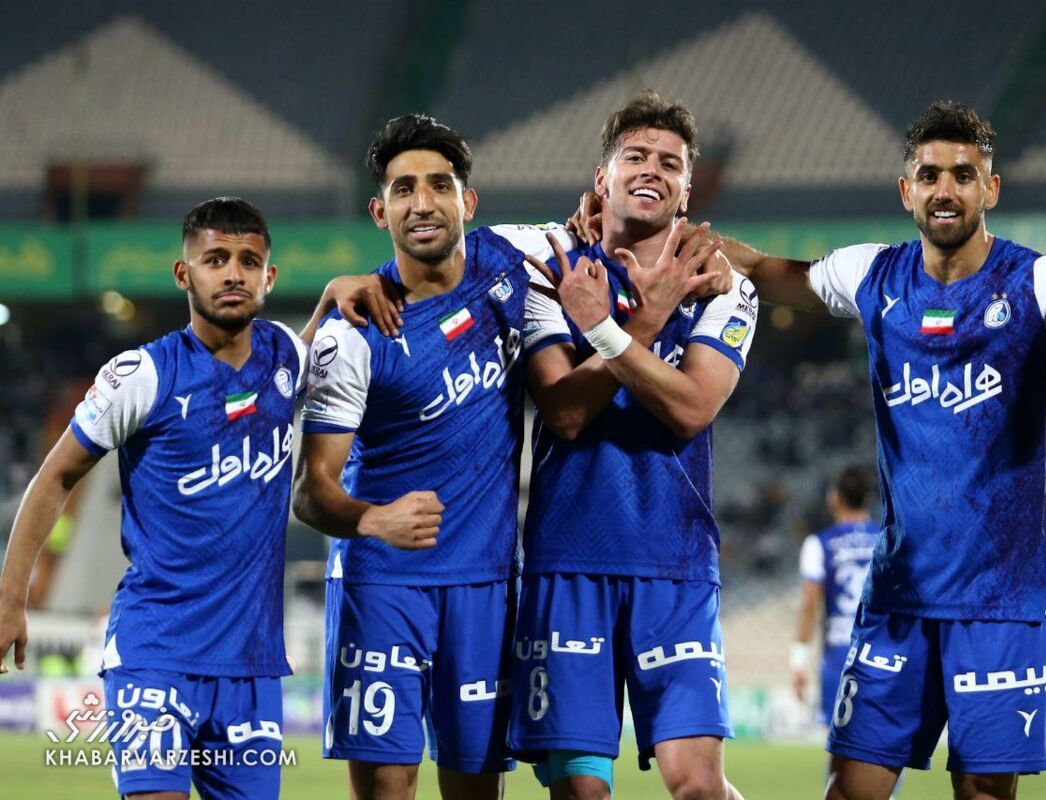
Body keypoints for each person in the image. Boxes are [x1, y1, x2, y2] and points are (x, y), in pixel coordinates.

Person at [714, 100, 1046, 800]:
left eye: (963, 174)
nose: (945, 189)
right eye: (929, 175)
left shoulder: (1036, 281)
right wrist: (661, 232)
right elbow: (763, 270)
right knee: (849, 792)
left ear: (991, 188)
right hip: (900, 595)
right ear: (907, 190)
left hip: (999, 602)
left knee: (982, 795)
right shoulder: (874, 275)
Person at [0, 197, 394, 799]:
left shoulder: (285, 356)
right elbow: (53, 479)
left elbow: (306, 351)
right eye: (215, 260)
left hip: (251, 667)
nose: (233, 273)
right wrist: (10, 601)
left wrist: (329, 297)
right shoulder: (143, 376)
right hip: (156, 653)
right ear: (184, 274)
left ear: (269, 277)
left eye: (248, 261)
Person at [291, 113, 604, 800]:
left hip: (486, 587)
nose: (423, 202)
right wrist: (374, 520)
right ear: (380, 212)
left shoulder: (512, 258)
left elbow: (606, 228)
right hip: (382, 587)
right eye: (403, 189)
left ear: (469, 201)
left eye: (439, 185)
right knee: (387, 791)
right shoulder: (354, 332)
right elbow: (310, 491)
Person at [510, 90, 751, 800]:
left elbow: (692, 407)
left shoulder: (723, 289)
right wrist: (640, 327)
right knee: (581, 794)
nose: (652, 170)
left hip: (675, 566)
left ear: (686, 191)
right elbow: (563, 411)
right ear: (602, 178)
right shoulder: (551, 272)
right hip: (566, 564)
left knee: (698, 786)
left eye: (670, 163)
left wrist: (606, 330)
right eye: (635, 156)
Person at [793, 466, 880, 729]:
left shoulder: (819, 544)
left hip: (841, 652)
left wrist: (798, 660)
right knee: (882, 741)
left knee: (839, 743)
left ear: (834, 498)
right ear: (869, 499)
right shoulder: (887, 539)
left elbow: (810, 604)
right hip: (881, 651)